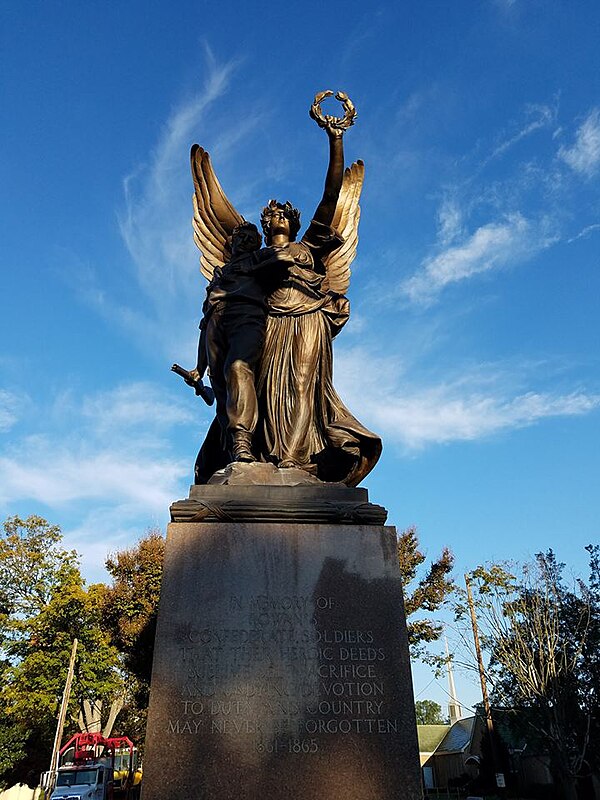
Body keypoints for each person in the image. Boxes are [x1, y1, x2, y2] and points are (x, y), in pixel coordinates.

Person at [254, 126, 382, 486]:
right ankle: (270, 456)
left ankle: (293, 460)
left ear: (294, 223)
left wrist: (335, 139)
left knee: (301, 385)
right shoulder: (255, 257)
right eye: (272, 215)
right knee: (268, 395)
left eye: (283, 214)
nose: (277, 216)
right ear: (265, 226)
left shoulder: (309, 246)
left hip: (309, 318)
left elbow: (330, 193)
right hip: (271, 322)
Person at [188, 222, 290, 470]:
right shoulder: (219, 274)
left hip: (246, 315)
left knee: (238, 368)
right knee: (222, 390)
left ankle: (243, 440)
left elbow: (283, 259)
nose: (244, 240)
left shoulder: (260, 258)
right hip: (215, 322)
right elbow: (204, 324)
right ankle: (233, 450)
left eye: (249, 237)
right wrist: (199, 368)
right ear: (231, 243)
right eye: (239, 237)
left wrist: (267, 259)